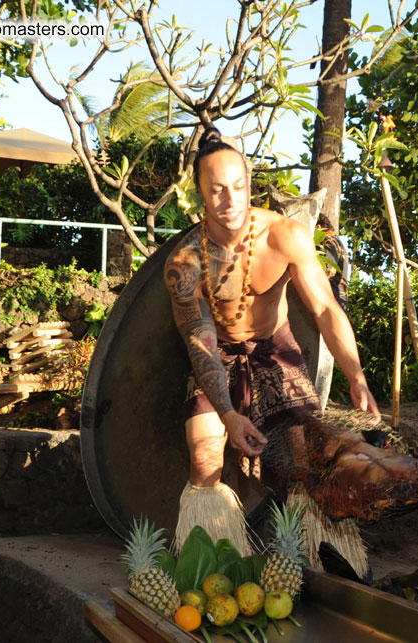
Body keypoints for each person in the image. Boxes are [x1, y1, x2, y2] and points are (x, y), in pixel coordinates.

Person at [164, 128, 380, 573]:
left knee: (303, 464)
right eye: (217, 191)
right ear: (199, 194)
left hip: (275, 349)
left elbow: (325, 309)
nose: (230, 200)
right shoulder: (185, 263)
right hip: (218, 354)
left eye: (239, 187)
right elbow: (200, 343)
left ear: (250, 181)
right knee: (204, 454)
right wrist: (226, 413)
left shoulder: (285, 236)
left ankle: (320, 565)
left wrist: (356, 378)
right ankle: (214, 569)